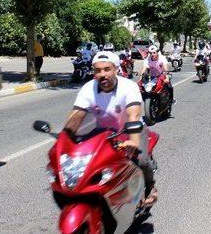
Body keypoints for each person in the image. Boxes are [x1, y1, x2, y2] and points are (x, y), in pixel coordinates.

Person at [63, 51, 158, 205]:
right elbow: (76, 117)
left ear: (116, 69)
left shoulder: (129, 86)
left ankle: (150, 187)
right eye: (98, 70)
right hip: (103, 133)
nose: (102, 74)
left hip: (131, 130)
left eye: (107, 69)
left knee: (141, 160)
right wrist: (64, 141)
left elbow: (133, 115)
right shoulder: (88, 88)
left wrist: (133, 141)